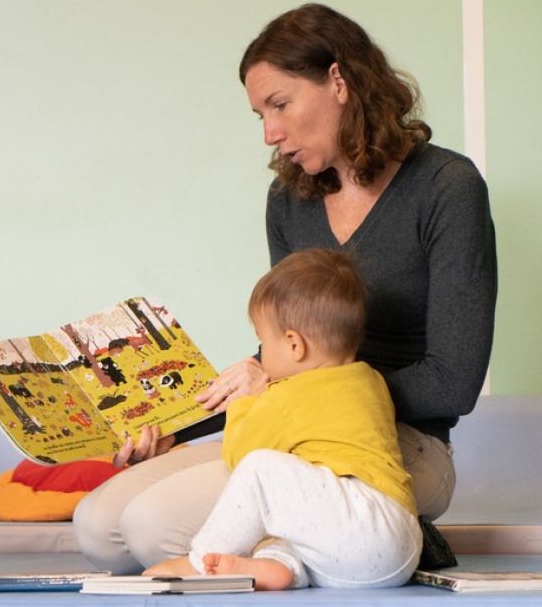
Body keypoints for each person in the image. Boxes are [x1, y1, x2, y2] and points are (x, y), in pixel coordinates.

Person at [74, 2, 497, 574]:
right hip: (290, 427)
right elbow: (287, 349)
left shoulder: (447, 188)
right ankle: (325, 547)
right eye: (260, 115)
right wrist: (174, 426)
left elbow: (452, 385)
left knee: (152, 528)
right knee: (99, 527)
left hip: (396, 442)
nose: (270, 134)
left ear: (338, 82)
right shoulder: (289, 200)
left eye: (280, 104)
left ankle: (372, 539)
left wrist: (279, 391)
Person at [142, 249, 419, 589]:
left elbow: (239, 456)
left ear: (294, 345)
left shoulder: (288, 394)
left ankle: (200, 561)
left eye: (263, 342)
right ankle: (277, 565)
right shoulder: (370, 380)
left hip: (365, 526)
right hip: (397, 541)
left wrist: (246, 402)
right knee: (289, 526)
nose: (261, 353)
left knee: (260, 468)